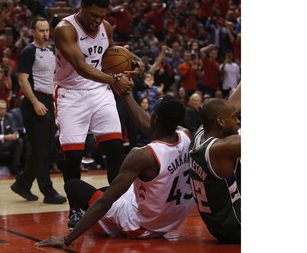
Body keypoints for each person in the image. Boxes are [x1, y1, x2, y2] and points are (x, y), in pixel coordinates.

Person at [35, 94, 196, 248]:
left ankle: (97, 222)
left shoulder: (143, 155)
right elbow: (153, 130)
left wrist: (66, 239)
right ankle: (101, 218)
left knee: (73, 186)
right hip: (171, 220)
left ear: (155, 119)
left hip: (141, 226)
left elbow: (105, 202)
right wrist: (126, 95)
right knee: (103, 191)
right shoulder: (187, 136)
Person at [53, 0, 134, 228]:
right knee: (73, 156)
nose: (97, 21)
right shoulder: (64, 30)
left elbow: (110, 57)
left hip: (100, 91)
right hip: (71, 93)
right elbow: (80, 66)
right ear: (82, 8)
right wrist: (115, 81)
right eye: (93, 15)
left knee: (115, 148)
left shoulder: (106, 27)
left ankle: (119, 205)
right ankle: (76, 209)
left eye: (101, 16)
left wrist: (125, 69)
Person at [10, 17, 67, 205]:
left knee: (47, 148)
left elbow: (52, 80)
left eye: (47, 30)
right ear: (32, 32)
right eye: (41, 31)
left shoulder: (50, 52)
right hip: (34, 101)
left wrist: (54, 103)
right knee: (41, 150)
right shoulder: (28, 52)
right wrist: (35, 102)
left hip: (47, 101)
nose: (45, 34)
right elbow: (22, 80)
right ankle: (47, 191)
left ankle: (23, 183)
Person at [188, 82, 241, 243]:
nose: (238, 121)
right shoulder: (222, 148)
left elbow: (232, 104)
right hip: (238, 228)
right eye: (235, 117)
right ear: (221, 121)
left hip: (219, 226)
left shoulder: (200, 133)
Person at [0, 99, 23, 175]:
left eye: (4, 108)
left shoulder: (9, 117)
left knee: (19, 141)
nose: (3, 111)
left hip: (6, 144)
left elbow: (15, 130)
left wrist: (15, 135)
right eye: (1, 109)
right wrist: (4, 137)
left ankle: (15, 166)